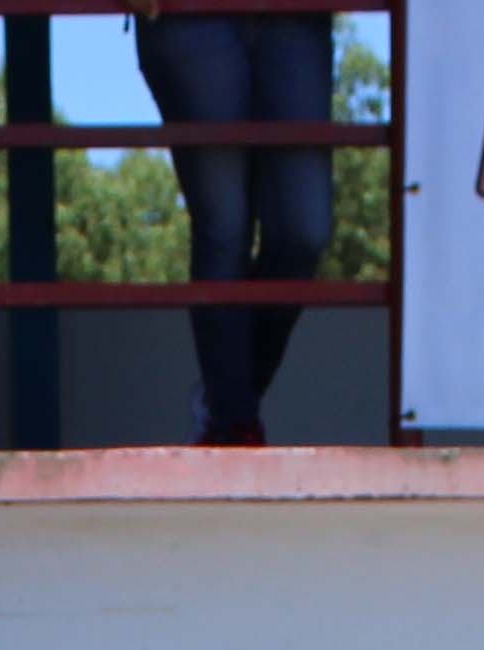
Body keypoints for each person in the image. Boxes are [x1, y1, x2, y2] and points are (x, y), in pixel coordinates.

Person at [136, 6, 331, 446]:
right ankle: (231, 420)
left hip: (295, 20)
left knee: (304, 231)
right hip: (190, 19)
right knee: (224, 226)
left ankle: (225, 397)